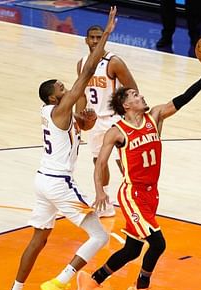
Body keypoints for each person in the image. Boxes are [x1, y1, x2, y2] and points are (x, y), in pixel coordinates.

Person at [0, 7, 118, 290]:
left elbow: (82, 127)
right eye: (63, 88)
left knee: (39, 238)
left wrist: (87, 122)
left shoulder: (53, 113)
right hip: (59, 183)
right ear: (54, 96)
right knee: (99, 236)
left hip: (42, 181)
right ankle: (61, 281)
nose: (68, 89)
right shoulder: (60, 109)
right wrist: (104, 36)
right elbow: (87, 72)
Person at [75, 56, 201, 290]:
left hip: (151, 194)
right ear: (125, 104)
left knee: (132, 249)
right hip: (131, 193)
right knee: (158, 243)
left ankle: (92, 280)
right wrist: (100, 190)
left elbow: (183, 98)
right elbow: (100, 162)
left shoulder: (155, 116)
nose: (140, 95)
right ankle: (140, 289)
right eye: (134, 94)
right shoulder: (117, 131)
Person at [76, 25, 139, 218]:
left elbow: (133, 89)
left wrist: (132, 116)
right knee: (98, 161)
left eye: (98, 37)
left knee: (124, 161)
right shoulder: (82, 63)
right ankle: (106, 202)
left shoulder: (113, 62)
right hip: (94, 120)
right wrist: (79, 117)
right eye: (91, 38)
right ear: (86, 40)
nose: (95, 41)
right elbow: (81, 94)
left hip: (115, 118)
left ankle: (135, 196)